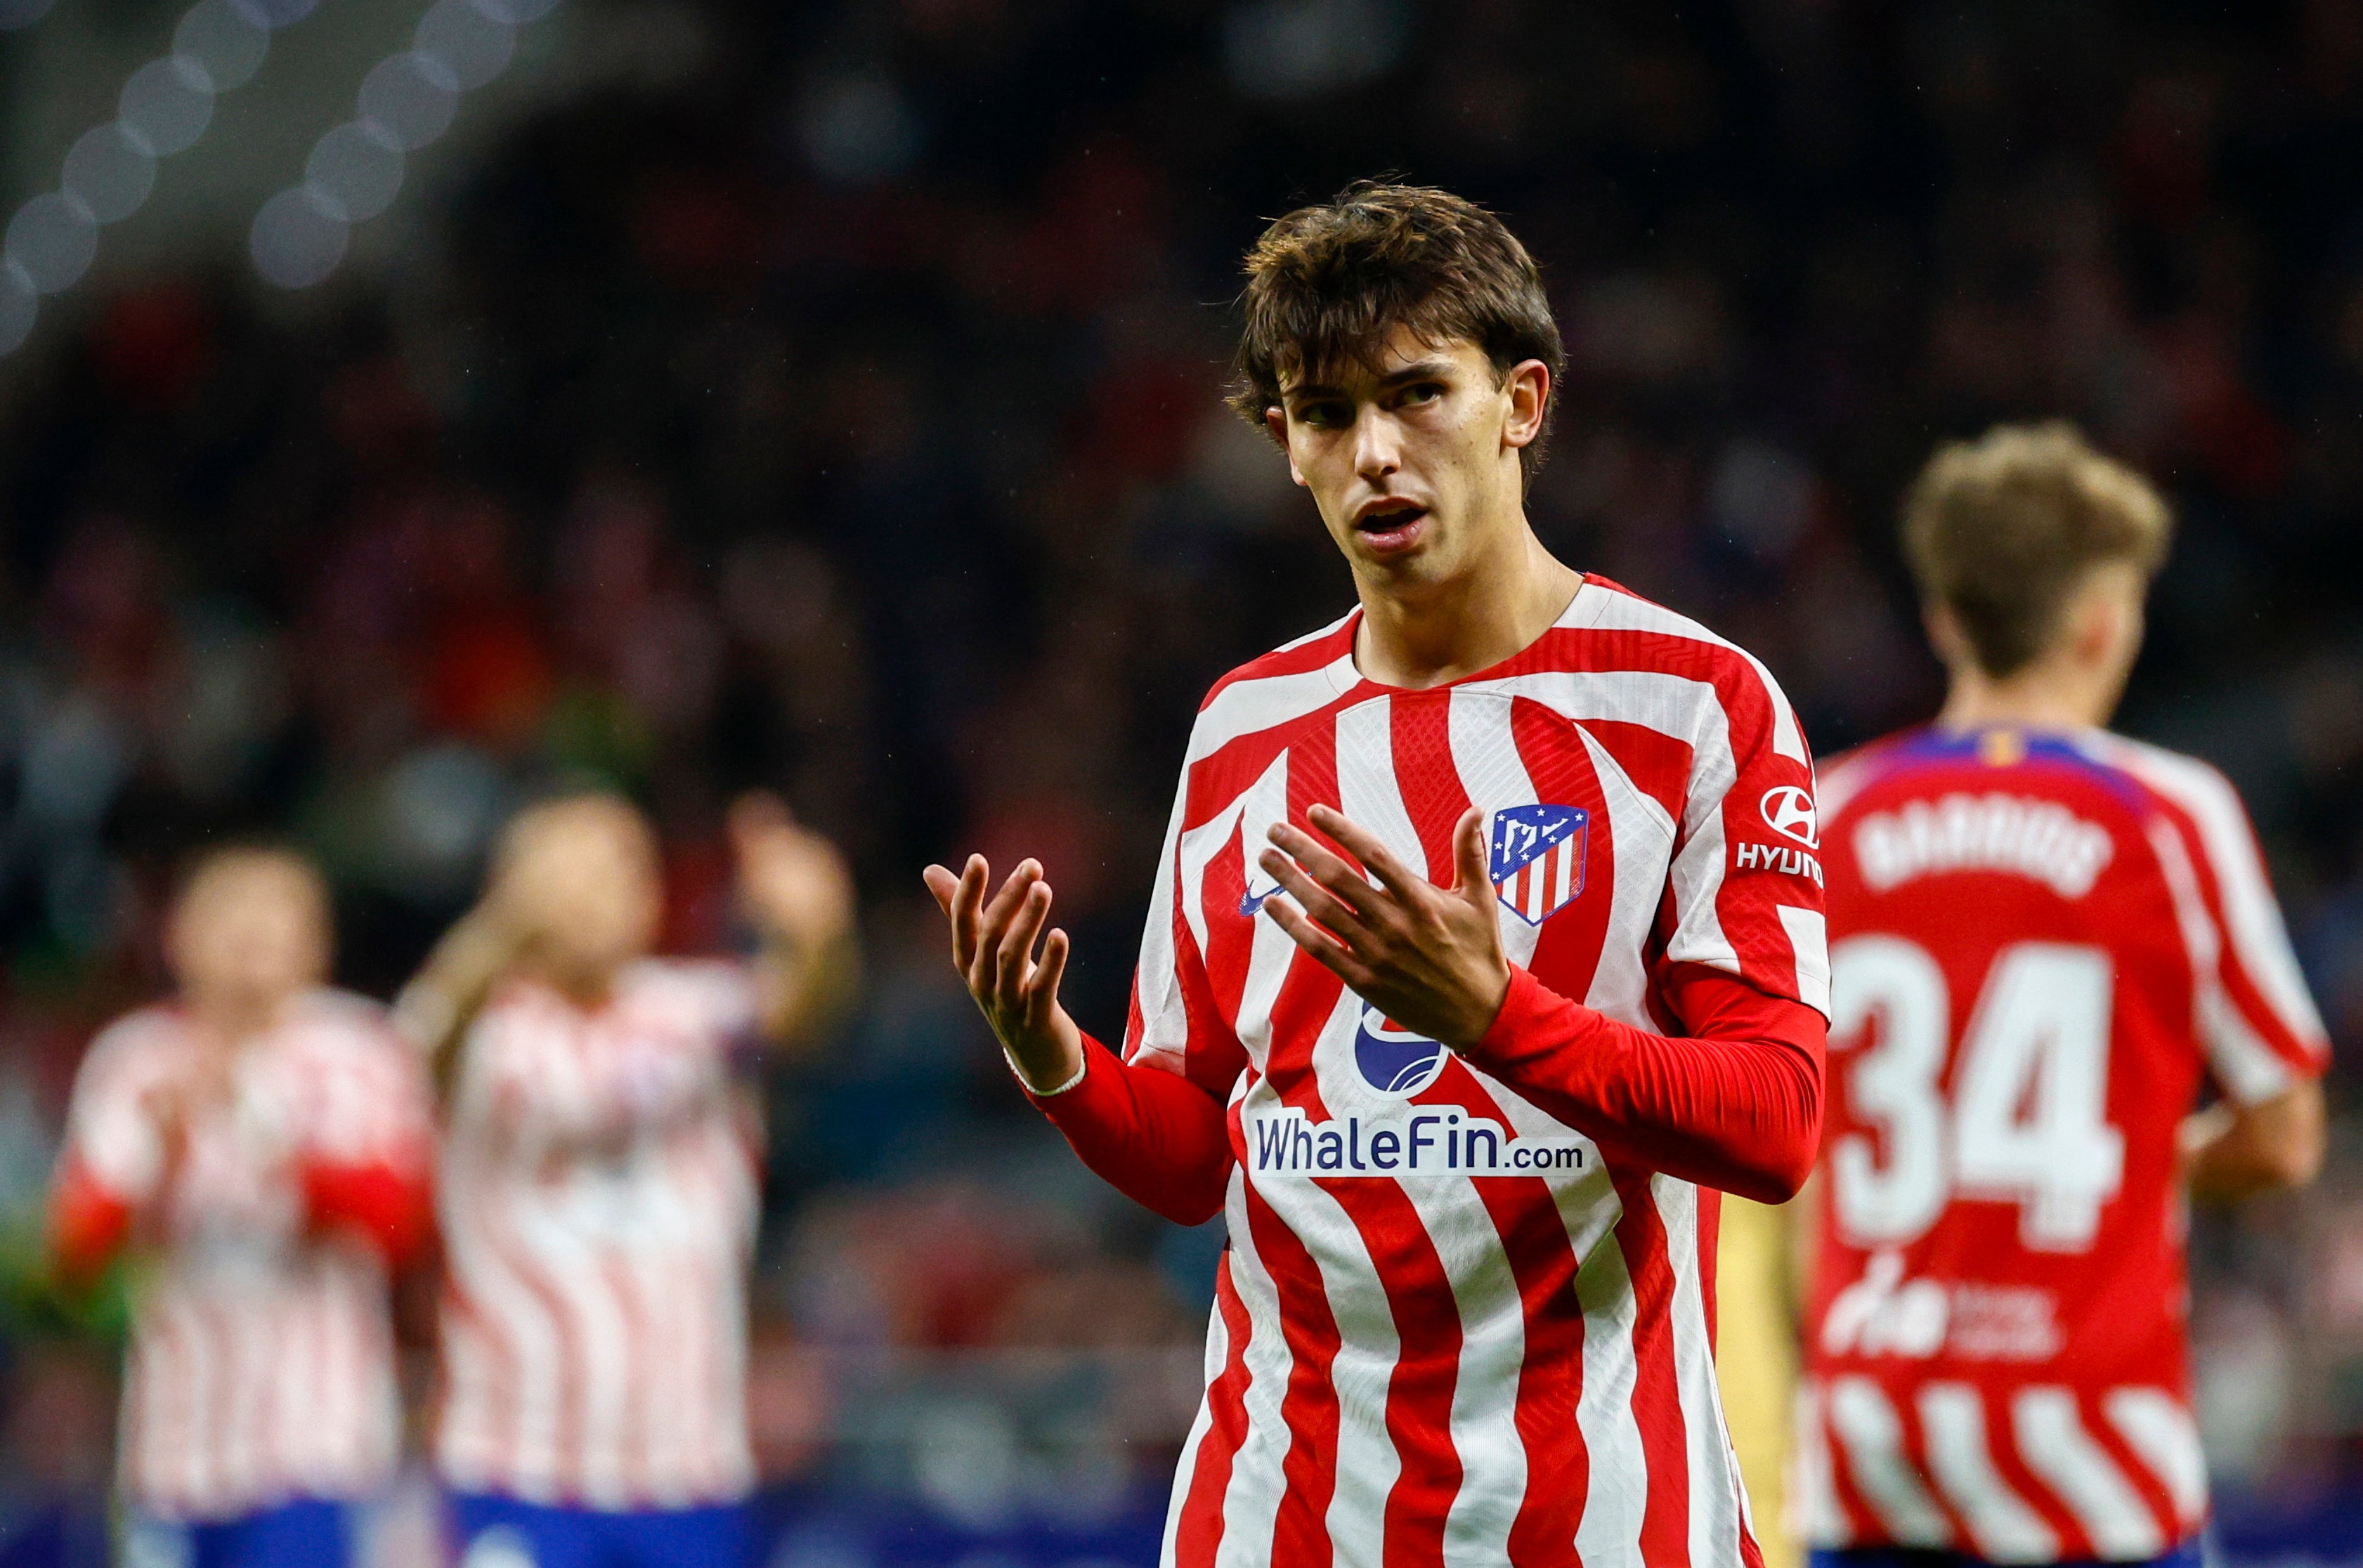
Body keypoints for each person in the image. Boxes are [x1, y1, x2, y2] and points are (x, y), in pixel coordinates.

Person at [925, 181, 1832, 1564]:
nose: (1374, 456)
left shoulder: (1693, 706)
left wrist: (1498, 1020)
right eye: (1326, 413)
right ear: (1282, 443)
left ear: (1521, 402)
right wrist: (1053, 1056)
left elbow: (1771, 1125)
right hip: (1280, 1514)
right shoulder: (1241, 729)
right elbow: (1195, 1157)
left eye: (1417, 396)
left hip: (1590, 1517)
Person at [1798, 424, 2329, 1568]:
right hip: (2090, 1458)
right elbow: (2284, 1138)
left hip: (1868, 1441)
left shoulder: (1828, 815)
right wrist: (2142, 1157)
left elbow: (1768, 1122)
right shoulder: (2167, 814)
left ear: (1943, 618)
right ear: (2101, 617)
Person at [398, 790, 854, 1568]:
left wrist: (815, 929)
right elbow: (414, 1051)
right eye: (569, 866)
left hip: (686, 1466)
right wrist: (502, 929)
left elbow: (806, 1008)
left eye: (621, 864)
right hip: (516, 1464)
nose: (598, 886)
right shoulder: (481, 1029)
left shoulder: (697, 1012)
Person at [49, 846, 436, 1568]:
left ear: (317, 941)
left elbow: (398, 1226)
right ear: (176, 936)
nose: (249, 933)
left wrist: (261, 1122)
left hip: (319, 1443)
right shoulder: (134, 1056)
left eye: (274, 913)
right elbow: (75, 1256)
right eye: (227, 912)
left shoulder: (360, 1048)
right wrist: (162, 1156)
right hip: (174, 1447)